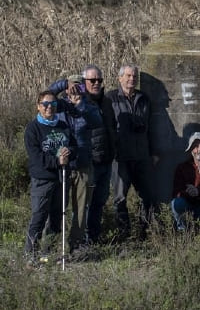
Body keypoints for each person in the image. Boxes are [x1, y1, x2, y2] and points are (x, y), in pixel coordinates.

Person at [51, 65, 114, 245]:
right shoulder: (59, 105)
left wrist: (81, 104)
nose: (75, 90)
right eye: (73, 86)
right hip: (62, 164)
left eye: (79, 86)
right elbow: (45, 97)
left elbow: (97, 122)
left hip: (83, 164)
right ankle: (54, 240)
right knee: (58, 206)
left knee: (81, 208)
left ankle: (76, 243)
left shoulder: (89, 106)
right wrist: (63, 84)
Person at [103, 64, 157, 238]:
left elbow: (151, 128)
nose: (131, 79)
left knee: (147, 194)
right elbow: (108, 128)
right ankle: (123, 233)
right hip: (120, 157)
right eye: (128, 76)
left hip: (142, 155)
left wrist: (153, 152)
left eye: (134, 76)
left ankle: (143, 231)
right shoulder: (110, 99)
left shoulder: (144, 99)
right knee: (119, 197)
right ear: (120, 78)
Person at [23, 91, 77, 260]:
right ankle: (31, 255)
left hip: (62, 178)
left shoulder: (63, 125)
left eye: (53, 105)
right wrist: (57, 161)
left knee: (56, 217)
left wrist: (70, 152)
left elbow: (75, 147)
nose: (49, 108)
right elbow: (36, 157)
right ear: (38, 106)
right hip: (43, 179)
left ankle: (48, 255)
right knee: (39, 216)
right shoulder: (33, 129)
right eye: (45, 104)